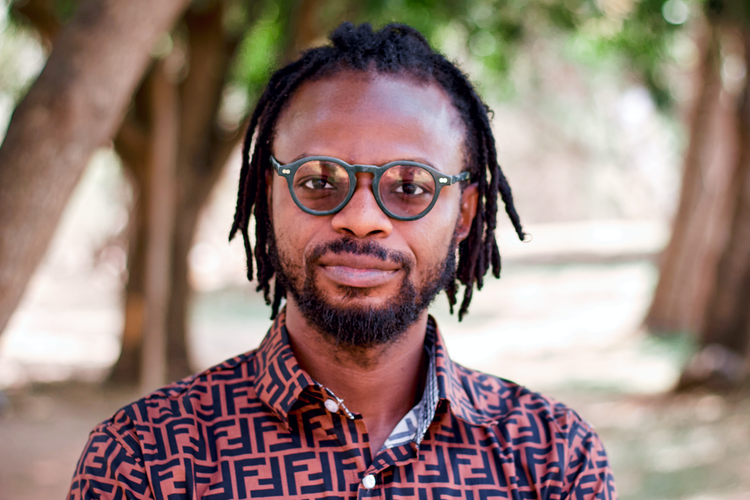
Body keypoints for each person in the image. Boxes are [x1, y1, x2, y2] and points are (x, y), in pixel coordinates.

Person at [69, 22, 617, 500]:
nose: (360, 218)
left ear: (465, 214)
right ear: (269, 197)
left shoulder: (554, 459)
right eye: (318, 182)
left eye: (409, 186)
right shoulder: (143, 461)